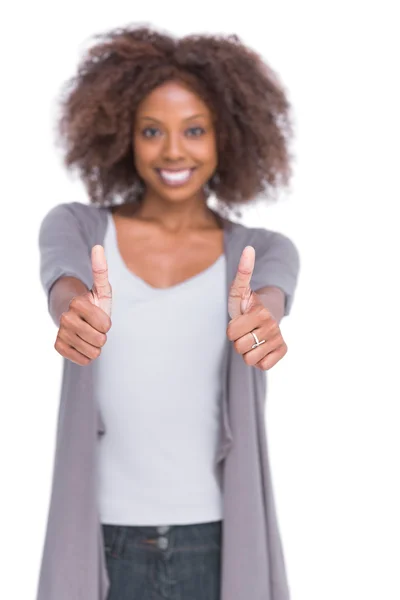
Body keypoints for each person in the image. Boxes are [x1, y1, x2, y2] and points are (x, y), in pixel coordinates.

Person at [37, 24, 300, 600]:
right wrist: (73, 308)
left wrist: (264, 321)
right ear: (122, 136)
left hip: (218, 544)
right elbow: (62, 276)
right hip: (106, 544)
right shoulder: (80, 227)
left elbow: (271, 296)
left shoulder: (262, 250)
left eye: (195, 130)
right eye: (152, 130)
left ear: (227, 137)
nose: (174, 150)